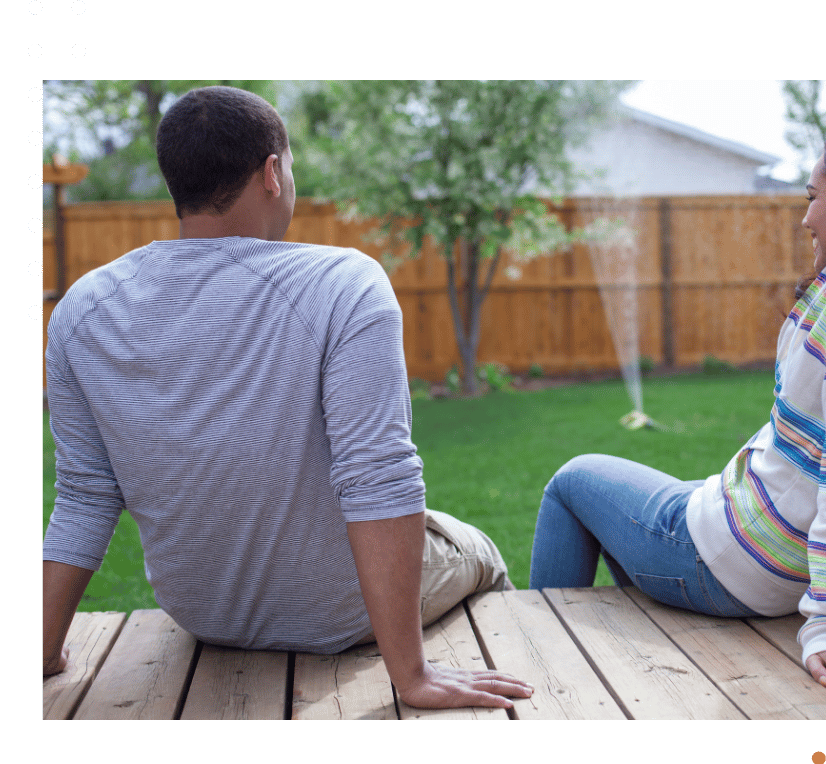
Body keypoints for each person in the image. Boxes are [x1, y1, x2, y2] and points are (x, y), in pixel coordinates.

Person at [42, 85, 533, 710]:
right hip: (339, 613)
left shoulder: (84, 305)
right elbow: (378, 476)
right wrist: (410, 679)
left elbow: (85, 492)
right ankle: (521, 669)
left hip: (200, 612)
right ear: (272, 173)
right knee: (479, 550)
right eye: (291, 164)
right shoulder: (343, 285)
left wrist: (42, 647)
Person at [529, 121, 826, 690]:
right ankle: (632, 646)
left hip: (735, 563)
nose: (805, 218)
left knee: (572, 480)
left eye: (813, 198)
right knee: (639, 503)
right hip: (767, 556)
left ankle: (543, 666)